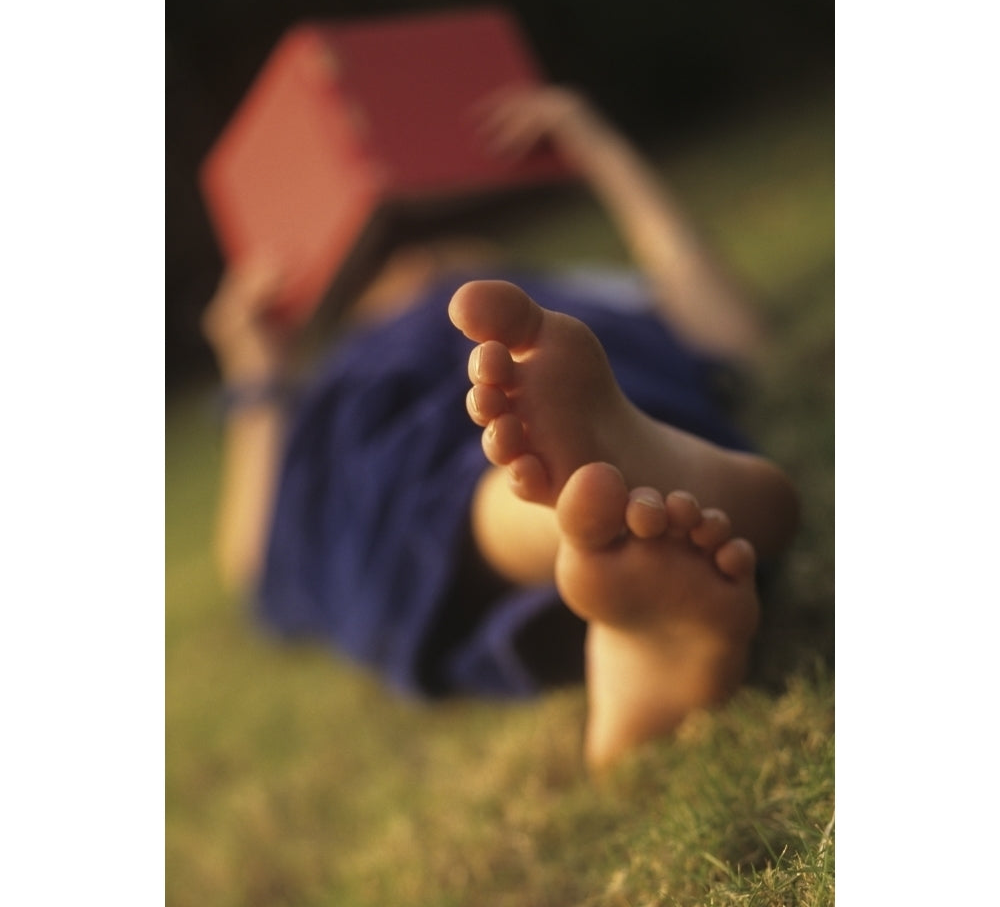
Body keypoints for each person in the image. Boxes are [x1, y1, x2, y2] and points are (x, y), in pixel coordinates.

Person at [201, 87, 800, 772]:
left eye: (442, 250)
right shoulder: (340, 380)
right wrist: (257, 372)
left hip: (559, 384)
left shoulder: (559, 304)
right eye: (391, 269)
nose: (419, 264)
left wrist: (598, 151)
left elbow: (736, 342)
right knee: (416, 463)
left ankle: (569, 507)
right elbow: (254, 561)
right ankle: (608, 498)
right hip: (444, 418)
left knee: (460, 447)